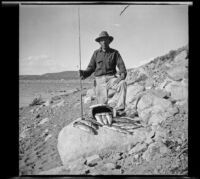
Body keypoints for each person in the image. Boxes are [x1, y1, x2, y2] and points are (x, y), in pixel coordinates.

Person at [79, 31, 127, 114]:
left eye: (105, 40)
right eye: (101, 40)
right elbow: (91, 67)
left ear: (109, 41)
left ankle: (120, 109)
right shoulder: (96, 53)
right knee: (102, 107)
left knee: (122, 83)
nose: (104, 42)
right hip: (99, 80)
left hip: (111, 79)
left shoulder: (115, 53)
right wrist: (84, 73)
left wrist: (121, 77)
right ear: (99, 42)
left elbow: (122, 67)